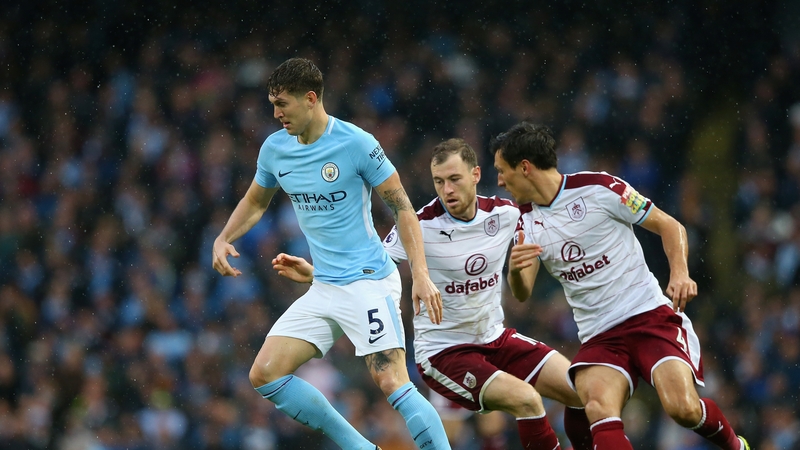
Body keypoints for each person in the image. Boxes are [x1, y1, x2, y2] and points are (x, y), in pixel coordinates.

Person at [274, 138, 593, 450]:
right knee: (526, 400)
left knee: (581, 391)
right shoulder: (419, 225)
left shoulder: (505, 214)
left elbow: (549, 219)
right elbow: (366, 273)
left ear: (476, 175)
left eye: (454, 179)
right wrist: (316, 274)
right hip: (445, 354)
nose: (447, 190)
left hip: (495, 338)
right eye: (439, 182)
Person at [211, 57, 451, 450]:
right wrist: (223, 237)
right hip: (324, 285)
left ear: (310, 99)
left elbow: (403, 208)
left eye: (282, 104)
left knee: (391, 381)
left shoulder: (356, 143)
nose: (275, 114)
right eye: (272, 103)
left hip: (368, 281)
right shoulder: (275, 150)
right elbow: (256, 202)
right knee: (265, 374)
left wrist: (420, 274)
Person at [489, 121, 751, 450]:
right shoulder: (524, 221)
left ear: (524, 167)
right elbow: (523, 293)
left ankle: (737, 446)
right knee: (596, 407)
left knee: (682, 409)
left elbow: (670, 226)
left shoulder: (600, 188)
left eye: (502, 170)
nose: (499, 180)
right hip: (600, 336)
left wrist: (680, 273)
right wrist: (514, 270)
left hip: (648, 315)